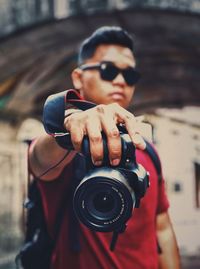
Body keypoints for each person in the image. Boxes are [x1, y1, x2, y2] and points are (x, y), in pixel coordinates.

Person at [29, 26, 180, 269]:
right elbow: (40, 161)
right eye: (108, 70)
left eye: (129, 76)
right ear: (78, 78)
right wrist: (68, 128)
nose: (120, 81)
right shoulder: (66, 144)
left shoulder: (145, 147)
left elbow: (161, 227)